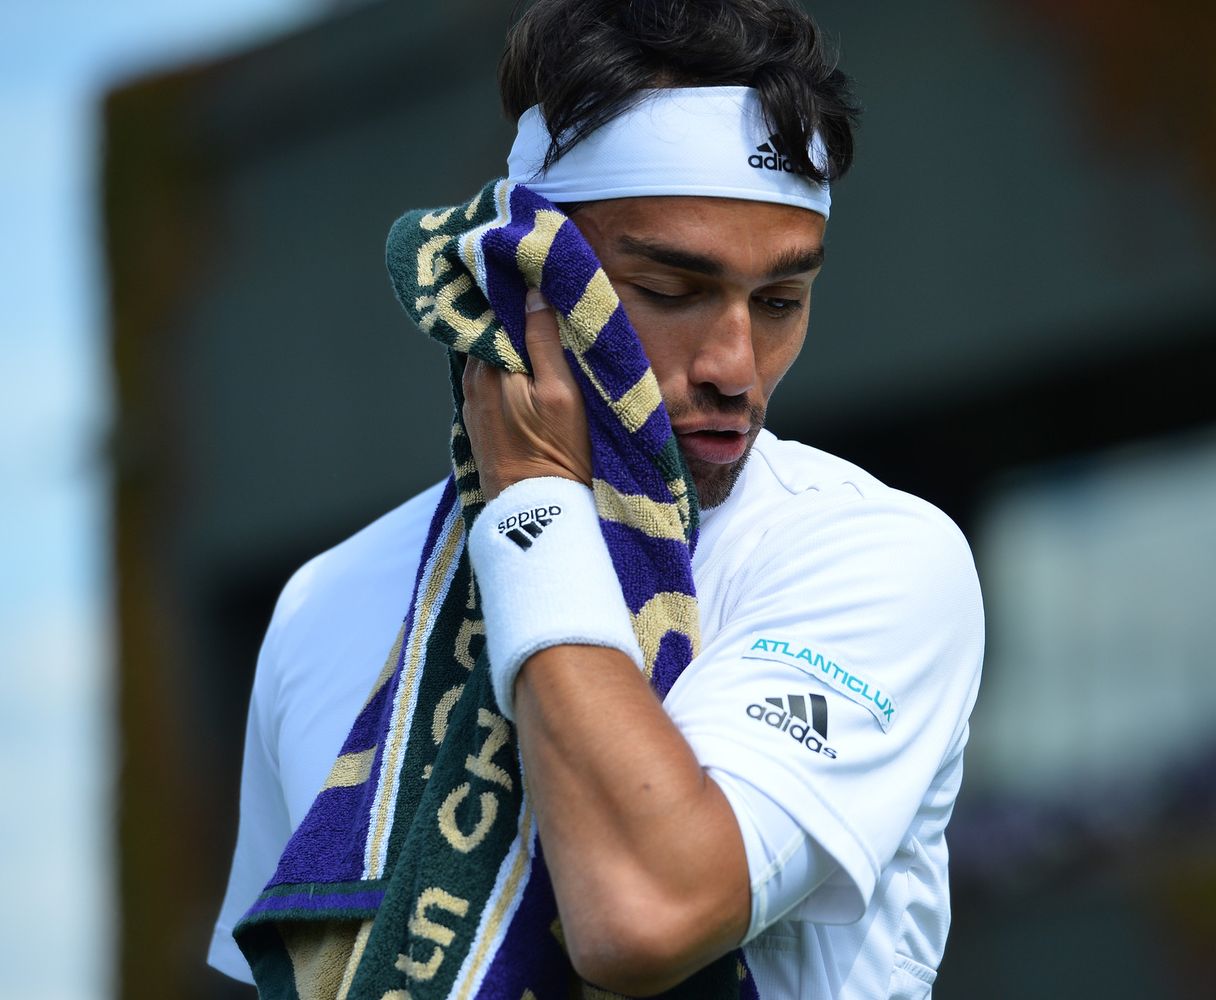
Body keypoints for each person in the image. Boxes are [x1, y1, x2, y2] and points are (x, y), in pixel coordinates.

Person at [209, 1, 983, 996]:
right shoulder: (324, 603)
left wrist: (532, 504)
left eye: (781, 301)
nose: (735, 366)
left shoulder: (873, 555)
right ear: (528, 277)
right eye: (669, 291)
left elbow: (642, 910)